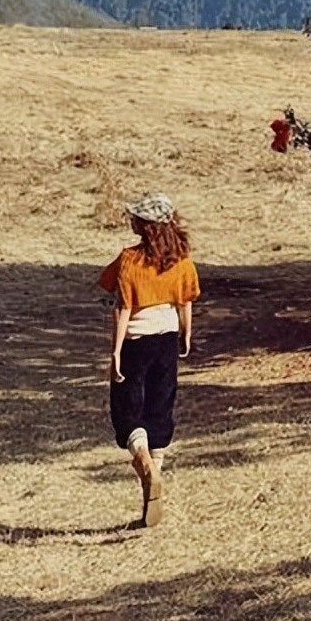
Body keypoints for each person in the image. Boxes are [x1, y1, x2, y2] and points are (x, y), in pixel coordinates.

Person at [98, 192, 200, 527]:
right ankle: (154, 479)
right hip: (167, 339)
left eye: (136, 217)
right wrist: (185, 333)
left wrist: (115, 352)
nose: (131, 220)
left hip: (136, 342)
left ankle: (143, 461)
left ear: (146, 226)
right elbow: (186, 300)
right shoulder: (181, 260)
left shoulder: (129, 259)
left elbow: (122, 307)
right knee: (160, 406)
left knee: (127, 410)